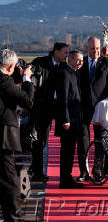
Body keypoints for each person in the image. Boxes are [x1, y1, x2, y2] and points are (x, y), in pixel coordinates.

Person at [0, 49, 38, 222]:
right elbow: (28, 101)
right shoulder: (4, 81)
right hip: (3, 141)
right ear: (11, 66)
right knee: (12, 187)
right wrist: (28, 80)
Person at [77, 37, 108, 182]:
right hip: (83, 108)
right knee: (83, 141)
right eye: (92, 49)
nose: (95, 52)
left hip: (101, 109)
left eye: (97, 48)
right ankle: (84, 171)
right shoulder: (80, 62)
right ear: (87, 48)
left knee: (100, 140)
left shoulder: (106, 62)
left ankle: (97, 169)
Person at [30, 42, 68, 182]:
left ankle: (36, 168)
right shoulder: (40, 63)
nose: (66, 55)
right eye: (65, 52)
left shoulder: (63, 66)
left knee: (44, 140)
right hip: (41, 108)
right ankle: (37, 171)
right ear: (56, 52)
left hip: (55, 108)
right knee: (38, 141)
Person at [54, 50, 84, 188]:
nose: (80, 63)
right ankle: (65, 179)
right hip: (68, 120)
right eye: (78, 60)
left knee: (70, 150)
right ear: (70, 59)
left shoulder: (72, 73)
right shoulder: (65, 74)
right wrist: (65, 119)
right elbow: (63, 99)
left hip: (74, 118)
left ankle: (67, 177)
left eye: (82, 60)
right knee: (67, 150)